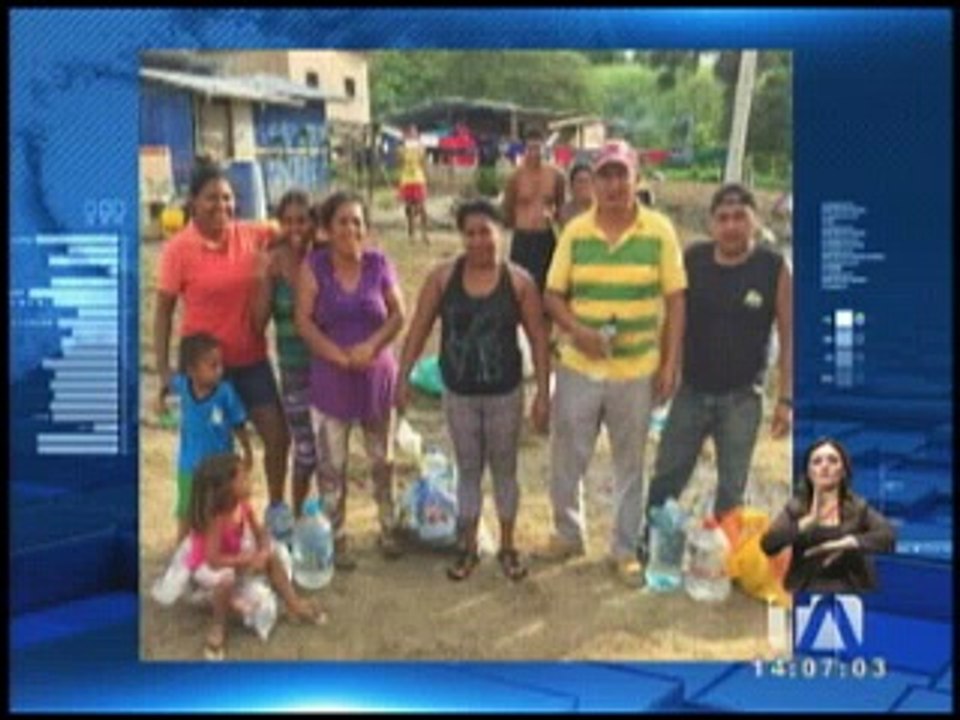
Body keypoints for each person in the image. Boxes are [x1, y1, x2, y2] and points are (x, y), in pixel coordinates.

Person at [539, 140, 687, 587]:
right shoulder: (575, 232)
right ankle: (568, 534)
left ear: (636, 178)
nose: (614, 184)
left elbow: (675, 301)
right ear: (594, 182)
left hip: (636, 370)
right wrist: (576, 331)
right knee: (567, 455)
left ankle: (623, 549)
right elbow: (552, 295)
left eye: (622, 174)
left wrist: (669, 364)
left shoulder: (659, 231)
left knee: (629, 463)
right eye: (605, 175)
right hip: (578, 367)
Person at [396, 199, 551, 582]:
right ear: (461, 237)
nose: (479, 240)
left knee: (504, 470)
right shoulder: (442, 279)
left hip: (505, 394)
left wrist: (543, 393)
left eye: (486, 232)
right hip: (459, 393)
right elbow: (418, 329)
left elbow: (539, 340)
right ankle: (467, 547)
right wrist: (403, 376)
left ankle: (508, 546)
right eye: (470, 233)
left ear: (501, 233)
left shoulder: (519, 283)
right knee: (467, 470)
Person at [643, 183, 793, 548]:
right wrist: (667, 368)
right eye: (723, 218)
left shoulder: (774, 268)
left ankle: (728, 559)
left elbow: (790, 336)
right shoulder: (693, 260)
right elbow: (674, 318)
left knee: (731, 489)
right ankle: (652, 547)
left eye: (740, 217)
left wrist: (786, 399)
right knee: (667, 478)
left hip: (742, 398)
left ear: (755, 221)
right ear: (711, 224)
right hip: (691, 392)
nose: (731, 226)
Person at [154, 160, 293, 541]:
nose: (222, 206)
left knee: (277, 435)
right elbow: (163, 310)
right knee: (208, 454)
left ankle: (276, 509)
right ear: (193, 202)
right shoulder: (178, 250)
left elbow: (294, 228)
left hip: (250, 359)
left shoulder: (253, 234)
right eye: (212, 198)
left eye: (228, 198)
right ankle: (201, 528)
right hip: (203, 371)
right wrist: (164, 370)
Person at [294, 192, 406, 569]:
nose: (350, 229)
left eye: (357, 221)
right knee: (332, 466)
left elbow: (398, 314)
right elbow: (303, 322)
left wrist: (371, 346)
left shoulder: (378, 264)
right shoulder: (315, 266)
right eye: (342, 221)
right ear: (327, 229)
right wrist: (339, 356)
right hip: (331, 381)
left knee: (383, 461)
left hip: (376, 379)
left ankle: (389, 528)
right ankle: (335, 537)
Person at [185, 453, 326, 660]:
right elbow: (213, 559)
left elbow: (261, 533)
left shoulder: (243, 505)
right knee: (226, 580)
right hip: (207, 565)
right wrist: (248, 559)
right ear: (225, 488)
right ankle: (218, 624)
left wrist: (264, 552)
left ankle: (293, 603)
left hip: (231, 556)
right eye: (242, 478)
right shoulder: (217, 518)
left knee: (273, 557)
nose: (249, 480)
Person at [252, 190, 321, 519]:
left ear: (313, 222)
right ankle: (295, 517)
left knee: (328, 450)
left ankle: (324, 519)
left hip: (329, 368)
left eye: (302, 220)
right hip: (294, 369)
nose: (296, 228)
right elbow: (257, 323)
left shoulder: (324, 258)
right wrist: (264, 277)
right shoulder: (274, 261)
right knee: (306, 452)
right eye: (288, 221)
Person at [761, 438, 896, 593]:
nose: (825, 466)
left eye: (832, 460)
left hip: (852, 590)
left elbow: (888, 535)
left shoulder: (858, 508)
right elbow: (768, 544)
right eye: (817, 462)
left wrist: (847, 543)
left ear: (843, 471)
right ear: (808, 473)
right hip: (806, 590)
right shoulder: (796, 508)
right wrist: (806, 522)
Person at [156, 333, 253, 543]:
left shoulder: (225, 393)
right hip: (189, 465)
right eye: (212, 366)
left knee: (222, 510)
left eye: (220, 365)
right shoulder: (183, 386)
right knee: (186, 510)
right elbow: (167, 385)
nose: (219, 370)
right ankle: (182, 549)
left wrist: (247, 451)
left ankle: (224, 547)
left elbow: (239, 424)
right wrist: (160, 402)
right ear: (192, 370)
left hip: (220, 467)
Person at [502, 127, 566, 296]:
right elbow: (508, 207)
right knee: (519, 286)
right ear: (525, 150)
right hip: (523, 236)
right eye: (531, 148)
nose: (535, 153)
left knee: (547, 286)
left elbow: (560, 206)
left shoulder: (556, 175)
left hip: (545, 236)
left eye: (538, 148)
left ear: (544, 149)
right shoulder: (515, 177)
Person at [397, 124, 429, 245]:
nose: (412, 135)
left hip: (418, 179)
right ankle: (412, 235)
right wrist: (403, 147)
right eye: (410, 133)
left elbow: (423, 161)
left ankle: (424, 234)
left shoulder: (421, 147)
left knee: (422, 208)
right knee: (410, 208)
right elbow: (400, 161)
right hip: (407, 180)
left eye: (414, 133)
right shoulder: (402, 148)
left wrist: (418, 148)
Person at [557, 163, 594, 229]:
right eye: (580, 181)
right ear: (571, 185)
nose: (584, 185)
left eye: (587, 181)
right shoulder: (564, 212)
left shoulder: (602, 209)